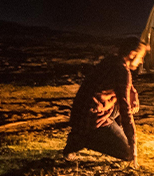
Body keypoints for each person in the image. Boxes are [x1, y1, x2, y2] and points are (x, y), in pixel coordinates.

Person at [63, 35, 148, 165]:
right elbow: (125, 112)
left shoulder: (111, 61)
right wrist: (133, 145)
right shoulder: (122, 71)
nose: (141, 62)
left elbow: (127, 87)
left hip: (80, 115)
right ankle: (82, 139)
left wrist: (134, 95)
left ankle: (85, 134)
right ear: (132, 54)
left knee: (120, 105)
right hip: (92, 120)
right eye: (141, 57)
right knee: (127, 153)